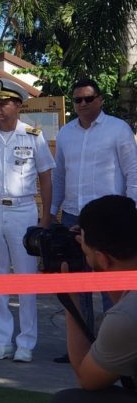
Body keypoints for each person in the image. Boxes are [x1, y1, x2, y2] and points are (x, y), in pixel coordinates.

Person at [0, 78, 55, 363]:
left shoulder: (33, 136)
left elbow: (45, 177)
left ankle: (26, 342)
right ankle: (3, 340)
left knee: (26, 279)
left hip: (22, 211)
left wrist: (45, 218)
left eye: (3, 103)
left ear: (18, 105)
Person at [51, 78, 137, 358]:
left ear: (100, 99)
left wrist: (130, 211)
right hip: (72, 215)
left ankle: (114, 347)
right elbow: (60, 175)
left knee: (109, 285)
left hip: (107, 219)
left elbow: (133, 172)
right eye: (78, 100)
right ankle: (81, 346)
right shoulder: (65, 134)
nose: (83, 104)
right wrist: (52, 211)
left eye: (89, 98)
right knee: (76, 284)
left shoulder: (118, 130)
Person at [46, 195, 137, 403]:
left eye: (86, 253)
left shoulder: (125, 318)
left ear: (103, 259)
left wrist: (71, 300)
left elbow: (87, 378)